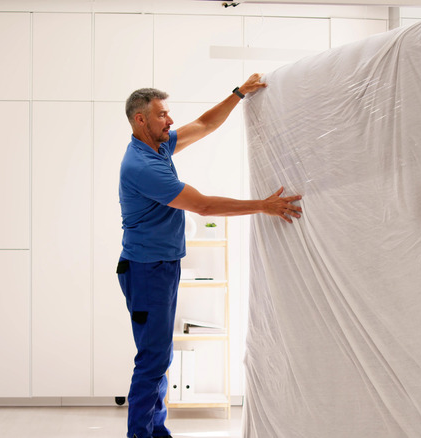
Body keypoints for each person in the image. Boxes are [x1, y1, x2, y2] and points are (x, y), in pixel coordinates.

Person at [117, 74, 302, 438]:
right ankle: (140, 434)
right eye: (162, 115)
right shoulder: (143, 167)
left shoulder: (158, 148)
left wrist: (238, 94)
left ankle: (155, 431)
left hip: (160, 266)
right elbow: (202, 206)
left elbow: (203, 125)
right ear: (140, 120)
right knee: (153, 358)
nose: (170, 121)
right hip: (146, 270)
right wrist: (263, 206)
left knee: (158, 355)